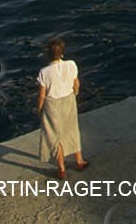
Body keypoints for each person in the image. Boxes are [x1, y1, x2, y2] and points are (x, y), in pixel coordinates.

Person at [35, 38, 88, 178]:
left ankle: (61, 168)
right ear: (62, 52)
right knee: (72, 129)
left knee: (54, 135)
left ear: (48, 54)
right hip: (69, 100)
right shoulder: (71, 65)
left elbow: (42, 95)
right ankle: (79, 161)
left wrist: (39, 109)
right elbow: (76, 84)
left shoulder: (44, 72)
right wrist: (74, 94)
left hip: (52, 104)